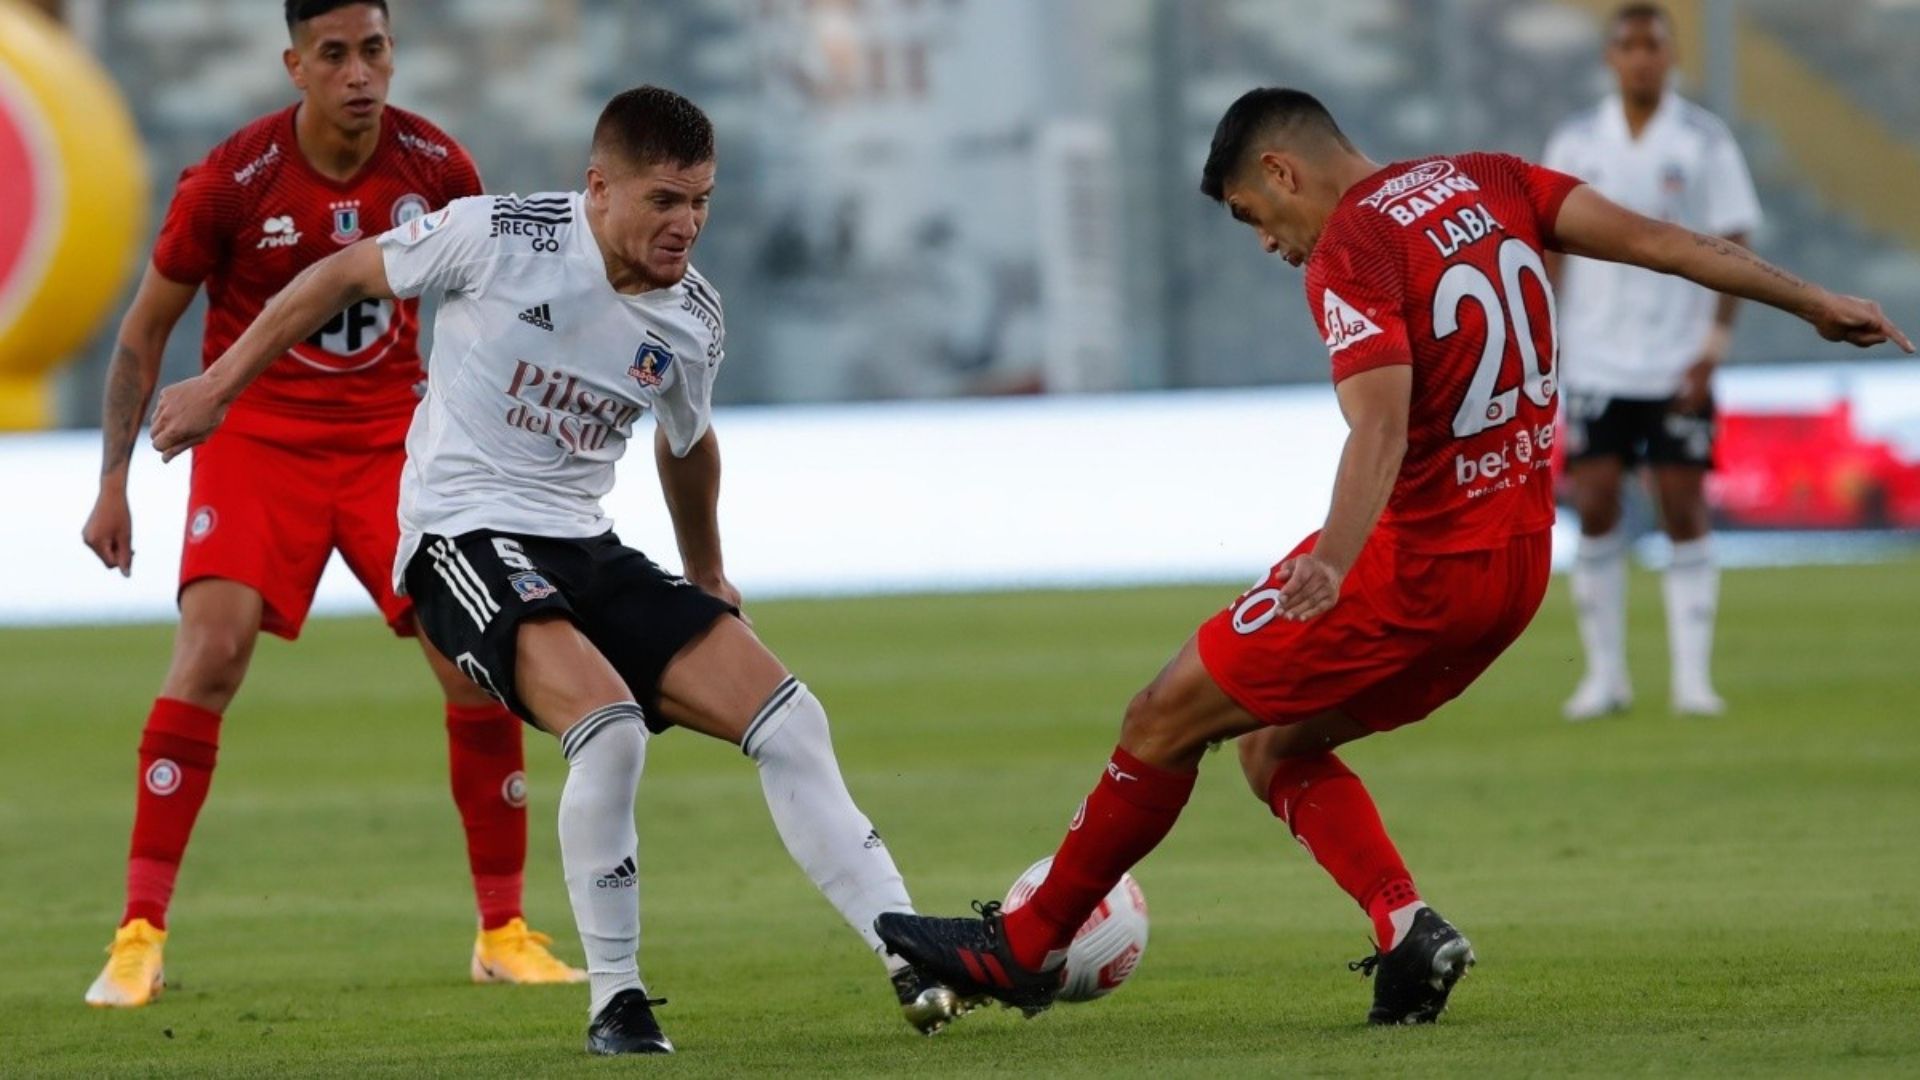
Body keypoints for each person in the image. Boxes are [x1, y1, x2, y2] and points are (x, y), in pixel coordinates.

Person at [873, 87, 1910, 1026]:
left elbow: (1378, 426)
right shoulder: (1490, 179)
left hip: (1410, 568)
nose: (1269, 245)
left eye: (1252, 217)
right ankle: (1407, 929)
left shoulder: (1352, 248)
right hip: (1513, 573)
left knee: (1161, 716)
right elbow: (1659, 241)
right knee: (1272, 747)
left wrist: (1333, 558)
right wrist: (1812, 298)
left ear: (1280, 172)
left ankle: (1022, 946)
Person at [147, 85, 965, 1055]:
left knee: (791, 717)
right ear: (599, 189)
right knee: (610, 729)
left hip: (582, 543)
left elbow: (686, 443)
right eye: (665, 200)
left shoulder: (693, 316)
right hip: (459, 535)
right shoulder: (497, 235)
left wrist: (709, 575)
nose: (687, 224)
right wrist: (216, 387)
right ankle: (615, 1001)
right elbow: (337, 279)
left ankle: (906, 948)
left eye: (702, 200)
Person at [78, 0, 581, 1008]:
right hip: (258, 437)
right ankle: (138, 934)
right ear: (296, 65)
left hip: (393, 441)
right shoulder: (229, 185)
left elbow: (486, 314)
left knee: (471, 657)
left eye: (376, 50)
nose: (361, 73)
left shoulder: (439, 168)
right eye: (337, 55)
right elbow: (143, 333)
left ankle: (503, 928)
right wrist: (114, 484)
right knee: (212, 649)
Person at [1544, 3, 1761, 720]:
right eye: (1629, 46)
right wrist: (1548, 340)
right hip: (1598, 357)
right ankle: (1603, 677)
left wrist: (1714, 346)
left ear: (1670, 57)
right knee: (1598, 501)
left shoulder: (1703, 140)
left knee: (1683, 504)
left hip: (1677, 358)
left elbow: (1735, 239)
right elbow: (1548, 245)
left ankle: (1693, 681)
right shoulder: (1576, 141)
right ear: (1611, 57)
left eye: (1653, 46)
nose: (1641, 57)